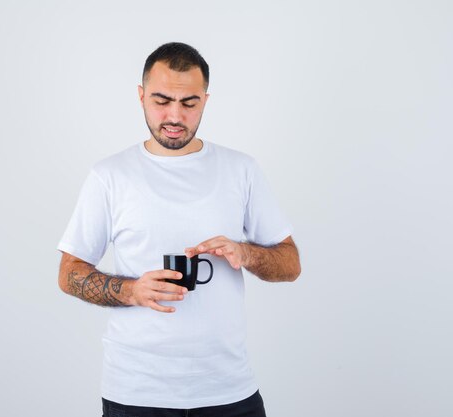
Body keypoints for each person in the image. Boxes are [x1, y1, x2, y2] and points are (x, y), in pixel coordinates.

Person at [57, 42, 301, 417]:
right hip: (136, 393)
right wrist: (132, 290)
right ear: (140, 96)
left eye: (189, 103)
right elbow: (68, 273)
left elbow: (291, 264)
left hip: (229, 391)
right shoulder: (109, 176)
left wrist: (246, 252)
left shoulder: (242, 170)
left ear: (205, 100)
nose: (174, 115)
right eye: (161, 100)